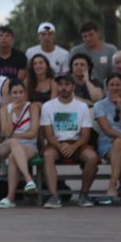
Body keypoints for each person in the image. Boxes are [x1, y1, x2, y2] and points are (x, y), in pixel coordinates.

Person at [40, 73, 97, 208]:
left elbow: (85, 135)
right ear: (57, 87)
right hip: (55, 144)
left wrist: (73, 146)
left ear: (73, 86)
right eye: (60, 85)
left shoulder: (82, 106)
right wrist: (61, 147)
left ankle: (84, 195)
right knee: (48, 155)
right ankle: (54, 197)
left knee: (92, 157)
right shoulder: (47, 106)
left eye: (67, 84)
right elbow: (49, 135)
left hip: (77, 143)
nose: (63, 88)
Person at [0, 80, 41, 208]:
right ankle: (28, 179)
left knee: (13, 157)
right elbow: (6, 132)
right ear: (10, 95)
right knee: (13, 143)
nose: (18, 95)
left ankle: (10, 197)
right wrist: (10, 113)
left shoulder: (32, 107)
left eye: (21, 92)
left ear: (25, 94)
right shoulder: (4, 110)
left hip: (28, 145)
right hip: (7, 145)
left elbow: (33, 132)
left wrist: (15, 136)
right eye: (15, 93)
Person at [93, 74, 121, 206]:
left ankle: (113, 185)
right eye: (111, 85)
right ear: (107, 87)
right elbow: (107, 130)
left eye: (118, 85)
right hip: (107, 143)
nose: (114, 88)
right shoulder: (100, 105)